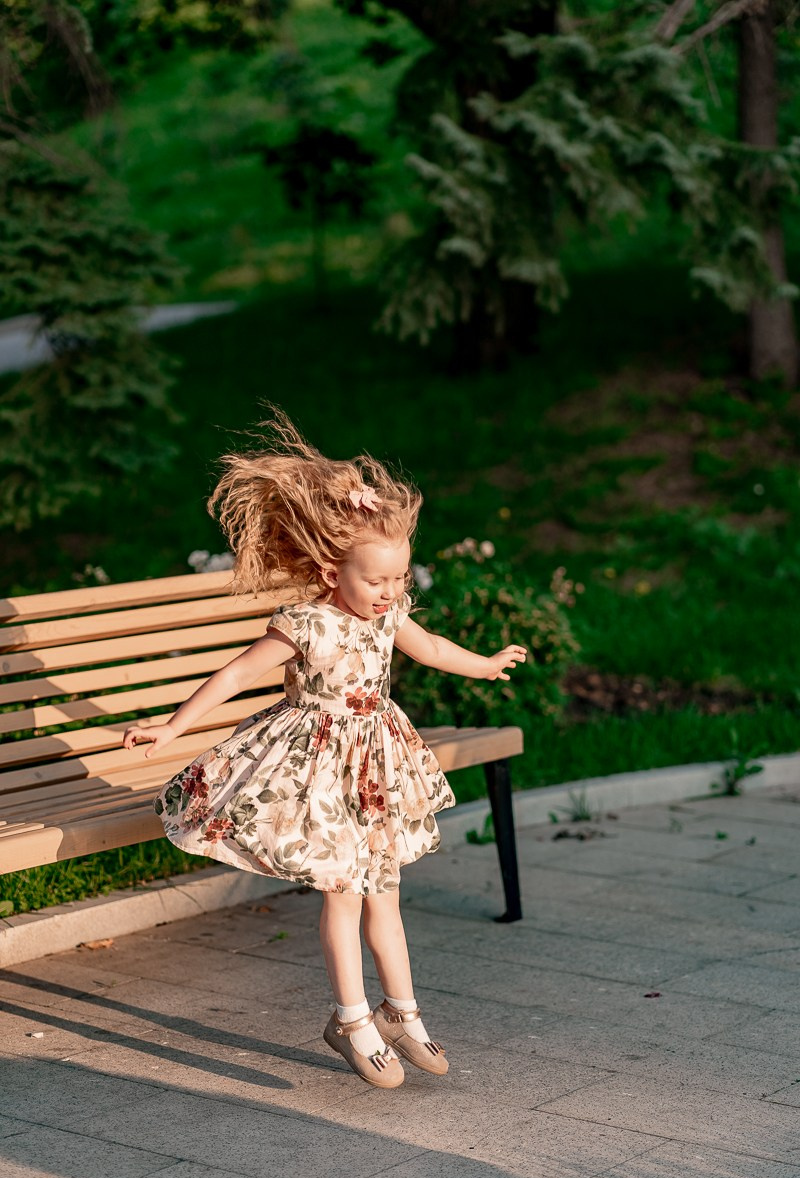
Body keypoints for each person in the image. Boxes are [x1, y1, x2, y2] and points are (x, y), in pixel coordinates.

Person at [123, 410, 526, 1089]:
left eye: (399, 580)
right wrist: (170, 727)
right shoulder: (306, 622)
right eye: (377, 582)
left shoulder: (388, 613)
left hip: (376, 768)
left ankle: (403, 1012)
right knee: (342, 894)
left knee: (386, 893)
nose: (391, 594)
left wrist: (484, 663)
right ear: (329, 567)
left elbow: (428, 647)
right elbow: (235, 675)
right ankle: (351, 1018)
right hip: (317, 770)